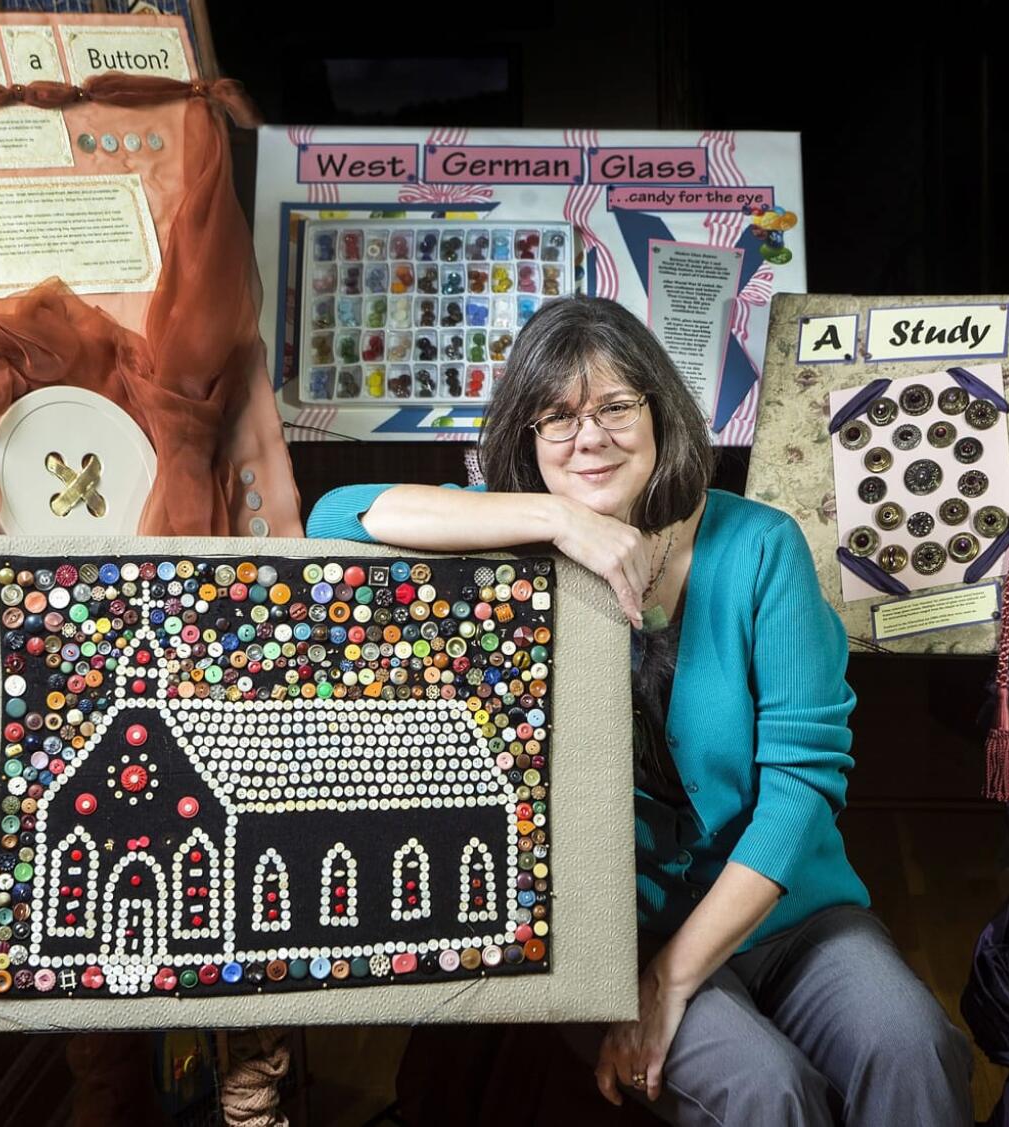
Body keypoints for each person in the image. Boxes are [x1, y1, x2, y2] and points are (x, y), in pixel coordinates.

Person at [305, 296, 974, 1125]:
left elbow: (802, 789)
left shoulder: (760, 546)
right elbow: (336, 516)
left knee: (915, 1045)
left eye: (616, 407)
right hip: (612, 931)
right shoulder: (509, 549)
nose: (590, 437)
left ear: (662, 414)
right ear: (528, 439)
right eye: (558, 417)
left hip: (786, 910)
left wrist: (672, 980)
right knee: (765, 1092)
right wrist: (554, 518)